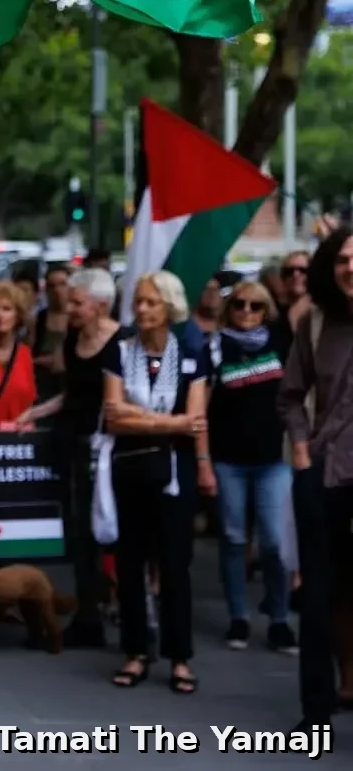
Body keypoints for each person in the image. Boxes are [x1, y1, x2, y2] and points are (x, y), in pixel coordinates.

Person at [102, 271, 215, 694]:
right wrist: (169, 423)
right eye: (139, 302)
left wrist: (199, 457)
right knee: (130, 562)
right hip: (130, 466)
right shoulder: (120, 350)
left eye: (151, 302)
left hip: (174, 470)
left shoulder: (191, 352)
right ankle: (134, 651)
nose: (142, 309)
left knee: (175, 564)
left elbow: (197, 421)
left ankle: (179, 656)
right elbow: (113, 415)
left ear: (169, 306)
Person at [17, 268, 123, 647]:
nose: (70, 308)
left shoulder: (124, 342)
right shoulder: (72, 340)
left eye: (78, 302)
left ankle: (128, 612)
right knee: (81, 533)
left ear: (101, 305)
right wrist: (34, 413)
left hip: (112, 450)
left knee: (114, 532)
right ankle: (87, 615)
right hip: (77, 445)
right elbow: (72, 394)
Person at [278, 227, 353, 732]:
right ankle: (316, 711)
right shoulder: (314, 322)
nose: (352, 268)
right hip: (324, 475)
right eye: (345, 259)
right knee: (321, 594)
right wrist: (302, 454)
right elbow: (290, 395)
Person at [208, 280, 296, 654]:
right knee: (233, 539)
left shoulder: (281, 341)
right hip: (228, 458)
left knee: (275, 543)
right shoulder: (215, 346)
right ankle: (239, 617)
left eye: (255, 306)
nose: (246, 312)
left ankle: (279, 618)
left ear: (266, 311)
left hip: (273, 460)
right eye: (240, 305)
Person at [0, 281, 37, 432]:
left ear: (18, 315)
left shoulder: (24, 354)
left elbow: (29, 404)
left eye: (6, 309)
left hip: (15, 442)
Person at [32, 265, 70, 401]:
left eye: (62, 284)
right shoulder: (38, 319)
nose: (57, 290)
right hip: (42, 384)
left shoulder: (78, 318)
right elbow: (26, 354)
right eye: (52, 286)